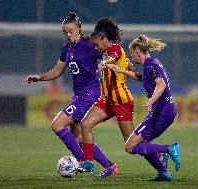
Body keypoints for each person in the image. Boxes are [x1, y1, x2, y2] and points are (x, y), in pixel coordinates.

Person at [25, 12, 115, 173]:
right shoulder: (66, 48)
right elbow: (58, 70)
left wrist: (107, 62)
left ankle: (82, 161)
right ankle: (109, 165)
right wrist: (39, 78)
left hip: (90, 94)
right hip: (79, 95)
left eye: (71, 31)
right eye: (65, 32)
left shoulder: (89, 44)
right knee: (78, 136)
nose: (68, 34)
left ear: (79, 29)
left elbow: (111, 53)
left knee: (57, 124)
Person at [106, 35, 180, 181]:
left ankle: (169, 149)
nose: (131, 57)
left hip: (161, 112)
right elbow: (141, 77)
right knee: (142, 144)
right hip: (163, 111)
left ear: (138, 50)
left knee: (130, 146)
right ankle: (163, 173)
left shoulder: (151, 65)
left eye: (131, 53)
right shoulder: (151, 64)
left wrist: (151, 101)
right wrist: (121, 70)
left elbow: (161, 85)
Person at [78, 17, 135, 178]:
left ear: (104, 39)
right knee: (85, 124)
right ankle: (89, 162)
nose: (96, 48)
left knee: (131, 143)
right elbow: (129, 66)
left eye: (97, 44)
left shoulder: (114, 49)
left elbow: (114, 57)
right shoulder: (106, 52)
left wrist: (106, 64)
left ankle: (160, 153)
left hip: (121, 101)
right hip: (107, 100)